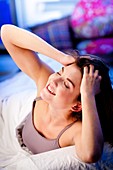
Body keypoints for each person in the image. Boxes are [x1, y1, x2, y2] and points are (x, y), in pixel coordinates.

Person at [1, 24, 113, 163]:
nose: (54, 80)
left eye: (66, 84)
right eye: (60, 71)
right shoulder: (44, 80)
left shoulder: (74, 130)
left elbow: (90, 155)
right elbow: (7, 32)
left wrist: (87, 95)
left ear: (78, 106)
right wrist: (61, 57)